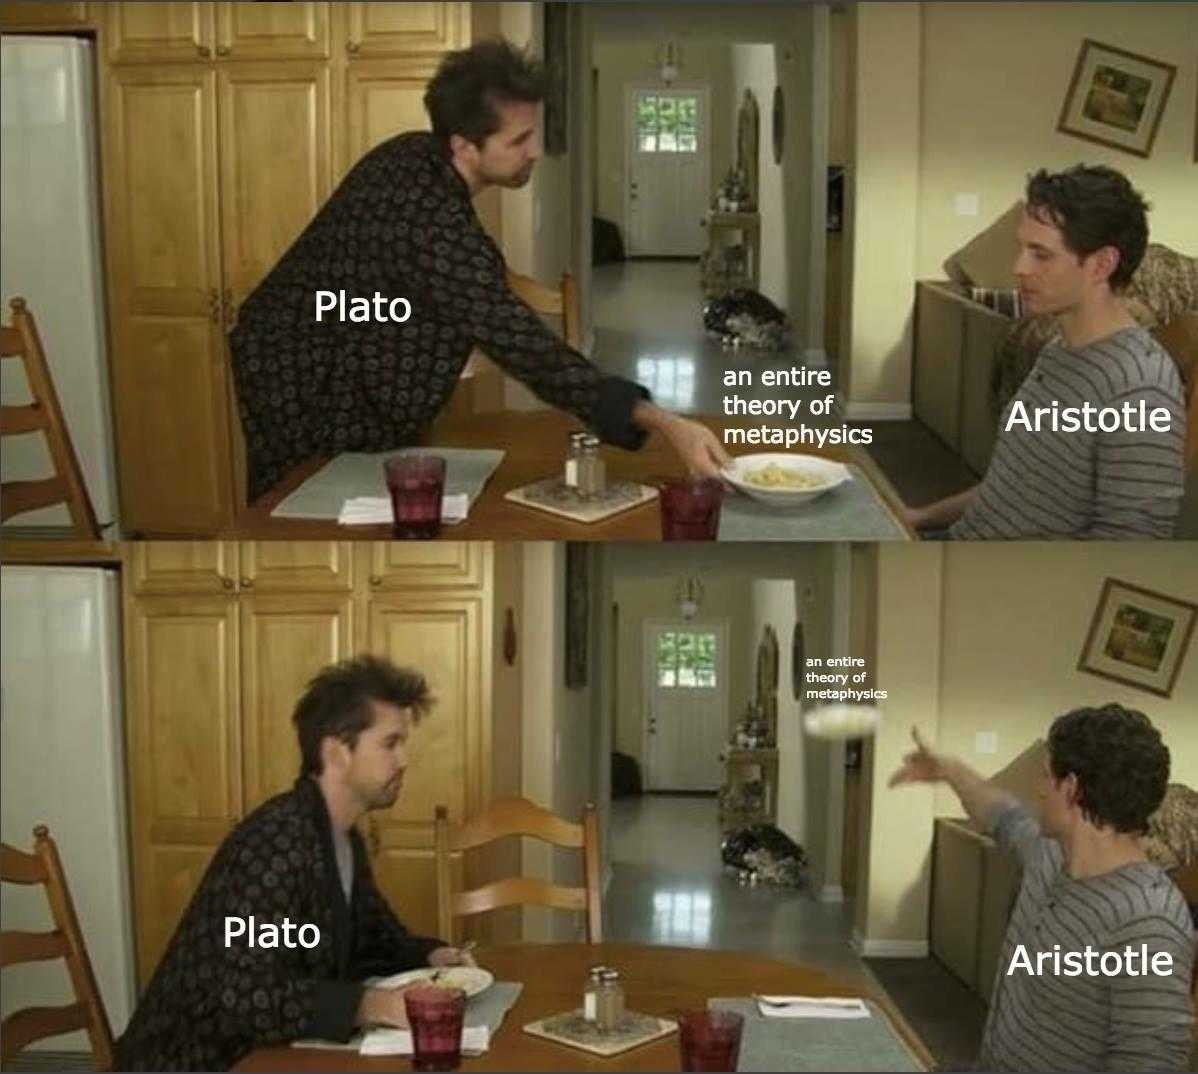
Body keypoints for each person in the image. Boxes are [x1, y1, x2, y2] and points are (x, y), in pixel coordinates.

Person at [230, 38, 728, 503]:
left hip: (323, 343)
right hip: (295, 375)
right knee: (309, 510)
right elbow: (522, 345)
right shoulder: (427, 222)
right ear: (466, 146)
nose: (535, 151)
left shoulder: (414, 155)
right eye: (520, 140)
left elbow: (398, 297)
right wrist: (664, 421)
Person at [115, 656, 472, 1071]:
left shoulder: (342, 841)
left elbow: (372, 941)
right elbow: (248, 994)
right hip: (195, 1062)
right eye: (390, 743)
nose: (404, 760)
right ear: (337, 752)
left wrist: (431, 958)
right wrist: (370, 1005)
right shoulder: (276, 843)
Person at [890, 704, 1194, 1072]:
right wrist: (948, 770)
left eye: (1045, 777)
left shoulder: (1147, 922)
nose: (1038, 789)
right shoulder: (1049, 856)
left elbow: (1149, 1064)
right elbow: (1001, 813)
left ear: (1071, 788)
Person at [907, 165, 1186, 539]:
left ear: (1102, 264)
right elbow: (1010, 489)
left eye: (1040, 254)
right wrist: (917, 518)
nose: (1018, 267)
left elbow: (1131, 545)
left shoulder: (1140, 390)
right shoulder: (1058, 349)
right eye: (1023, 249)